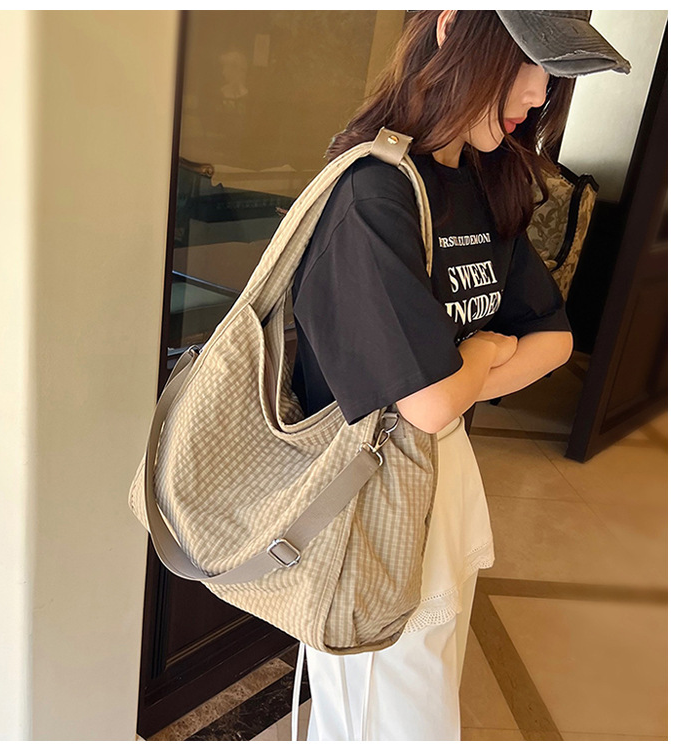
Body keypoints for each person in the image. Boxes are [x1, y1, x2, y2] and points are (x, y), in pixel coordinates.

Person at [289, 10, 630, 741]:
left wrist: (456, 381)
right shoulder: (371, 194)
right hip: (365, 511)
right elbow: (429, 403)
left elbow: (553, 341)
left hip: (440, 482)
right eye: (528, 59)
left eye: (549, 70)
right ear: (452, 26)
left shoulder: (483, 181)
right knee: (389, 721)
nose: (539, 93)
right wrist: (479, 356)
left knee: (423, 696)